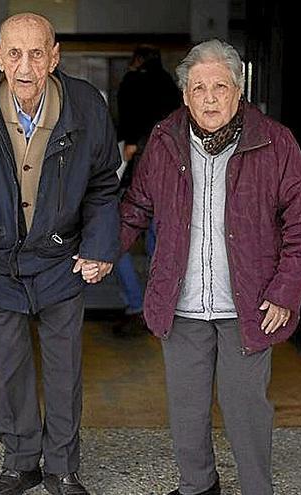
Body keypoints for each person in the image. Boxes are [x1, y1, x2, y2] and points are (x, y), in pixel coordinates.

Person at [0, 13, 120, 495]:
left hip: (59, 258)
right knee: (8, 367)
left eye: (37, 53)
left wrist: (98, 247)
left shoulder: (87, 105)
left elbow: (103, 185)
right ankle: (20, 462)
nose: (25, 66)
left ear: (55, 57)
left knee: (64, 368)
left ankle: (62, 467)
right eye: (14, 53)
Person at [118, 39, 301, 495]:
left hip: (248, 305)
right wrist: (97, 252)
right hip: (182, 300)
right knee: (186, 409)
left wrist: (285, 292)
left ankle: (255, 488)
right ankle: (197, 486)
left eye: (220, 86)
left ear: (238, 90)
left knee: (245, 410)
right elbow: (135, 206)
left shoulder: (275, 142)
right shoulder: (165, 140)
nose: (209, 97)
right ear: (185, 94)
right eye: (199, 87)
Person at [113, 45, 180, 335]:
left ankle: (137, 305)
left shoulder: (132, 83)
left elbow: (128, 131)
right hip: (171, 173)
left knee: (117, 241)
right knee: (159, 245)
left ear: (136, 60)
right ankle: (161, 308)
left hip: (136, 168)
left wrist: (128, 147)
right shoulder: (171, 86)